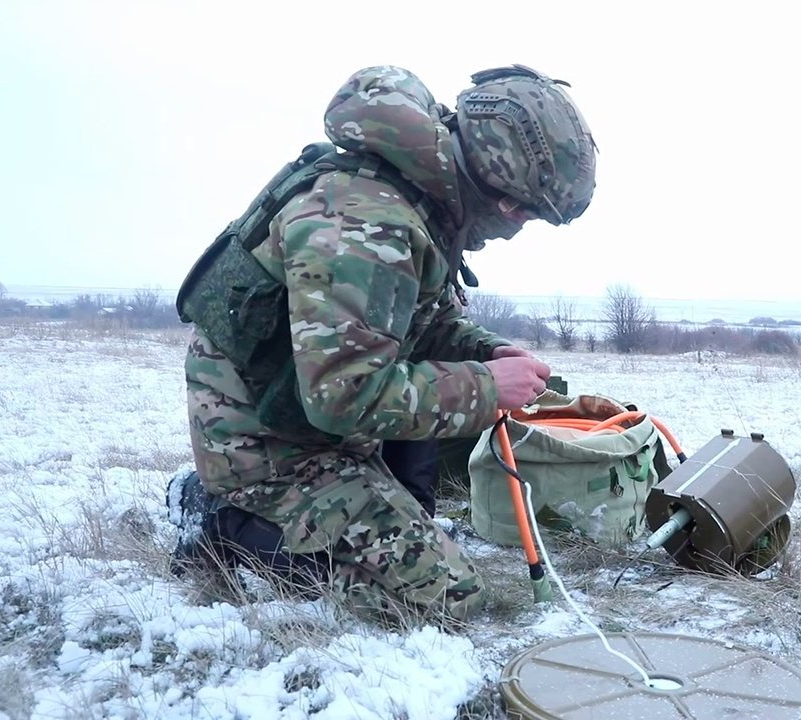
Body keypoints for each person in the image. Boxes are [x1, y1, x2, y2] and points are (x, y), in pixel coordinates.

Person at [165, 63, 598, 628]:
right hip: (267, 448)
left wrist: (488, 353)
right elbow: (342, 396)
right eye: (522, 211)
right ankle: (218, 520)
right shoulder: (366, 223)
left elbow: (427, 321)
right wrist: (487, 387)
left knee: (413, 520)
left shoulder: (415, 197)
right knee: (443, 596)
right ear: (504, 198)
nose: (514, 227)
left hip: (309, 422)